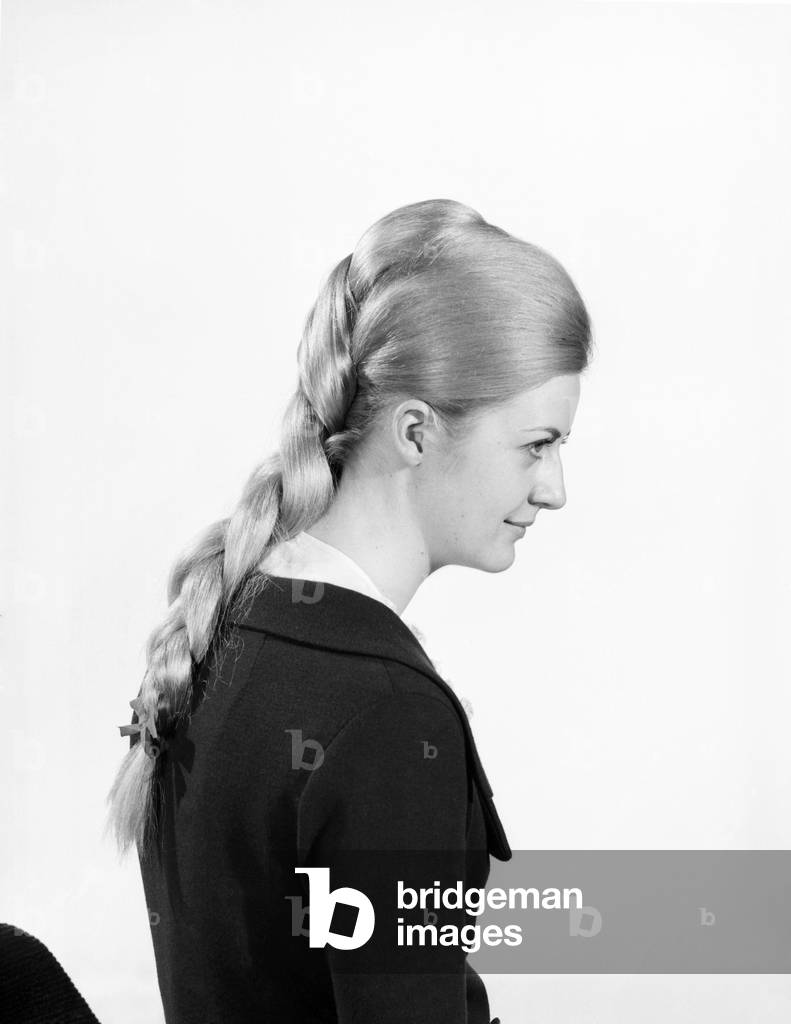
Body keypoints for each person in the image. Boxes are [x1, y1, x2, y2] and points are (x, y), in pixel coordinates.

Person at [106, 198, 593, 1023]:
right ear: (414, 432)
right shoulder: (387, 717)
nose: (553, 490)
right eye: (535, 445)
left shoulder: (224, 626)